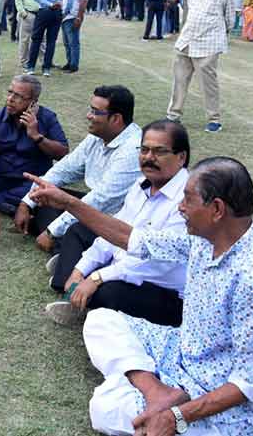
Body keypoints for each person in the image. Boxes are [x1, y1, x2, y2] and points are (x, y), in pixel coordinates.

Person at [26, 157, 253, 436]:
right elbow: (134, 238)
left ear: (217, 209)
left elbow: (252, 384)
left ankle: (155, 396)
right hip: (182, 352)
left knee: (106, 409)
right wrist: (69, 203)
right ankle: (156, 391)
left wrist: (176, 418)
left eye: (188, 199)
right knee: (101, 319)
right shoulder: (207, 239)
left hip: (225, 396)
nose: (180, 207)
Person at [44, 119, 190, 325]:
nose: (149, 157)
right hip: (123, 265)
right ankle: (71, 278)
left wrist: (97, 277)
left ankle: (76, 290)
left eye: (159, 151)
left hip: (163, 289)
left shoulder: (187, 201)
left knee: (109, 291)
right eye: (145, 150)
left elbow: (157, 264)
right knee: (78, 230)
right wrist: (81, 270)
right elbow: (111, 233)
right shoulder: (142, 185)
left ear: (181, 157)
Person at [14, 85, 142, 254]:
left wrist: (51, 232)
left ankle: (65, 250)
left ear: (116, 119)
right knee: (46, 197)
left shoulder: (132, 150)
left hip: (117, 217)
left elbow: (101, 201)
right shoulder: (96, 137)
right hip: (93, 206)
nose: (88, 116)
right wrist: (27, 202)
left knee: (79, 229)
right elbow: (64, 169)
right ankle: (65, 247)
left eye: (95, 112)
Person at [0, 75, 67, 215]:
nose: (10, 99)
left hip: (31, 182)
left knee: (43, 189)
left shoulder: (47, 118)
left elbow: (63, 153)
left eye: (18, 96)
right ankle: (6, 204)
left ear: (33, 102)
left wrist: (36, 136)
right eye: (10, 92)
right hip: (0, 178)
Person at [166, 0, 234, 133]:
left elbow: (229, 18)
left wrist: (218, 34)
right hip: (187, 39)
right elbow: (188, 11)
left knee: (208, 84)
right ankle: (173, 115)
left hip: (209, 42)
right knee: (179, 80)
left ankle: (214, 119)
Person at [27, 0, 74, 77]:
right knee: (51, 41)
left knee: (36, 39)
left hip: (44, 11)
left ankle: (31, 67)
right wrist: (65, 11)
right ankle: (46, 68)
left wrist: (49, 4)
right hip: (57, 12)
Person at [61, 0, 89, 73]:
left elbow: (83, 1)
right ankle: (69, 62)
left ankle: (74, 65)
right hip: (64, 17)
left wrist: (79, 17)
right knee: (66, 42)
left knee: (73, 43)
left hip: (73, 16)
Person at [15, 0, 43, 72]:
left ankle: (43, 61)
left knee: (41, 39)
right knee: (25, 39)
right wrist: (23, 14)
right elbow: (18, 0)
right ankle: (24, 62)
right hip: (28, 15)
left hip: (40, 15)